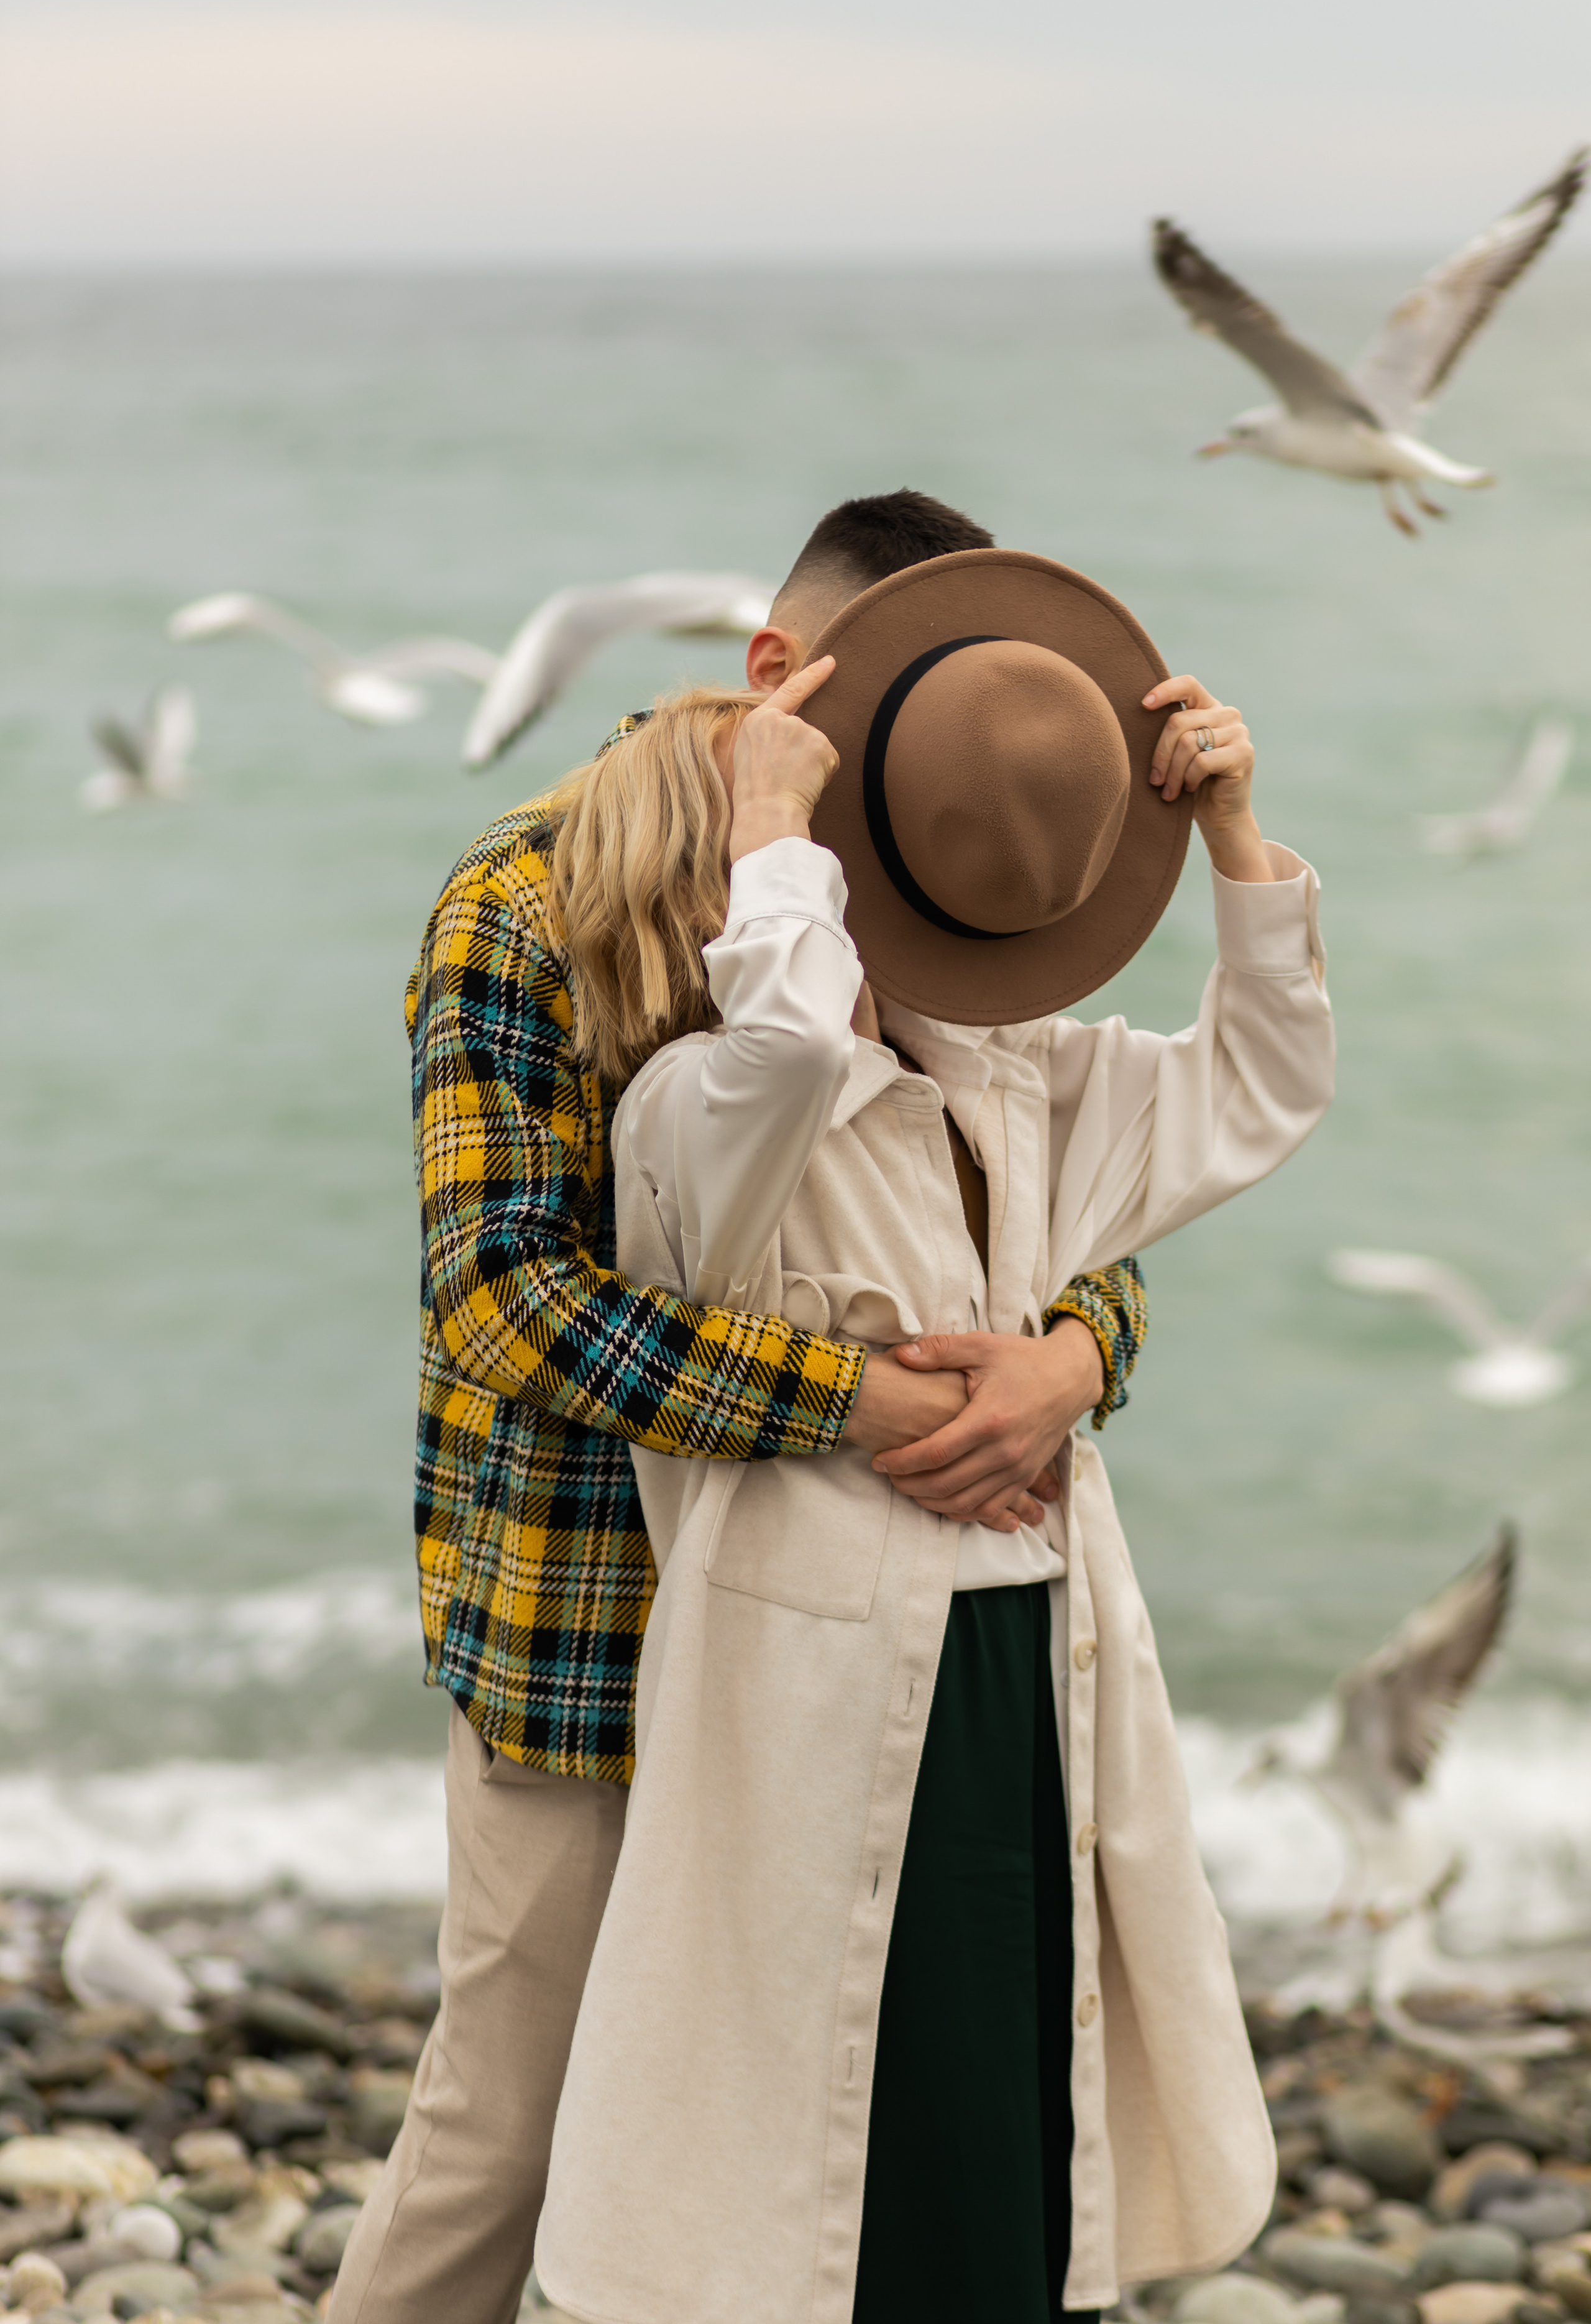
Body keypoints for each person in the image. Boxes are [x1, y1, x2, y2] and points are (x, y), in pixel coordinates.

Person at [330, 496, 1150, 2324]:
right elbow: (505, 1297)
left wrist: (1076, 1352)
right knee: (512, 2136)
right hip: (590, 1641)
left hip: (852, 1664)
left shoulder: (929, 887)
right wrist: (849, 1400)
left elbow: (1051, 1193)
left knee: (812, 2150)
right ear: (778, 676)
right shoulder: (522, 898)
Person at [532, 547, 1336, 2324]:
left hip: (1034, 1663)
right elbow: (790, 1054)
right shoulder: (696, 1112)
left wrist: (1233, 839)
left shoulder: (1023, 1077)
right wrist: (776, 835)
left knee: (1010, 2141)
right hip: (805, 1692)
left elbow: (1264, 1085)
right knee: (813, 2161)